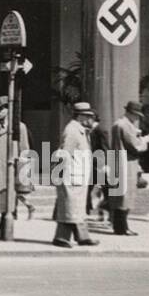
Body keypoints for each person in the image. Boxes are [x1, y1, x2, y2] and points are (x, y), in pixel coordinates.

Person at [52, 102, 99, 249]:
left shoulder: (80, 130)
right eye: (88, 116)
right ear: (80, 116)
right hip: (71, 176)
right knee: (70, 208)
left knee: (76, 208)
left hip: (78, 176)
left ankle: (82, 236)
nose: (90, 120)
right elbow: (65, 154)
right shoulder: (72, 130)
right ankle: (61, 237)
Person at [0, 95, 31, 239]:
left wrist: (23, 174)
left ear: (9, 109)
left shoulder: (18, 127)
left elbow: (25, 151)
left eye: (2, 109)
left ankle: (5, 230)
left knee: (6, 200)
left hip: (8, 169)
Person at [104, 100, 149, 236]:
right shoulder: (126, 126)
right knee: (125, 196)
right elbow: (135, 146)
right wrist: (145, 141)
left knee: (120, 196)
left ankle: (119, 226)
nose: (137, 119)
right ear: (132, 113)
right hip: (127, 163)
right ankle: (122, 228)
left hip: (118, 161)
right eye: (137, 116)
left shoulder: (118, 124)